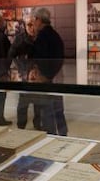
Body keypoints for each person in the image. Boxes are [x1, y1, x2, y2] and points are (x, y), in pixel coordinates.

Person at [32, 7, 67, 136]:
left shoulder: (42, 36)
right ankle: (63, 134)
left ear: (39, 20)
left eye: (34, 19)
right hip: (56, 76)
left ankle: (50, 136)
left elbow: (42, 58)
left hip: (47, 78)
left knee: (47, 110)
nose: (34, 23)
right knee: (58, 109)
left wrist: (44, 76)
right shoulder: (55, 35)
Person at [8, 15, 42, 130]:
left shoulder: (42, 38)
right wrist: (20, 70)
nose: (32, 28)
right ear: (24, 26)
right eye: (29, 25)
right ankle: (21, 126)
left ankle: (38, 125)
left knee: (39, 104)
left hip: (39, 77)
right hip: (24, 77)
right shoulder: (19, 39)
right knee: (23, 103)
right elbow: (11, 56)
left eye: (34, 24)